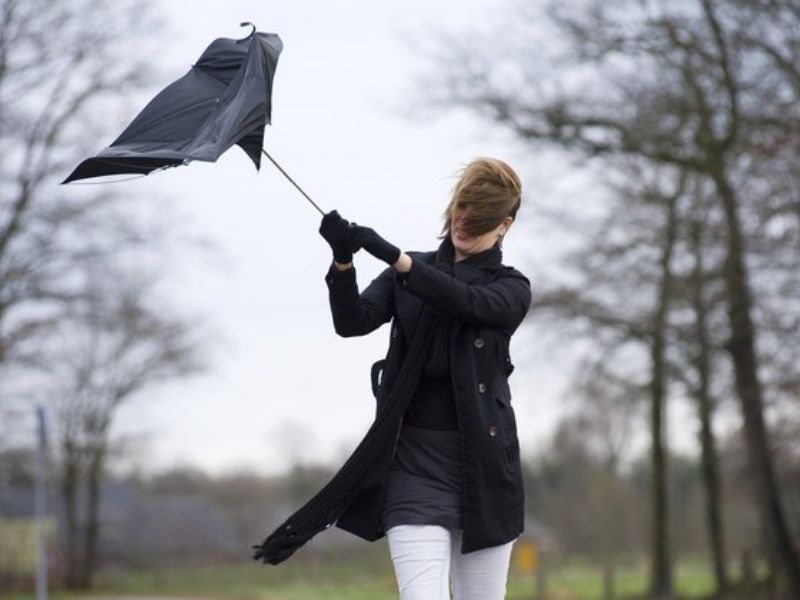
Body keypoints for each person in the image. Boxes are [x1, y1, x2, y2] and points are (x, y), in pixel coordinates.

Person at [315, 157, 532, 600]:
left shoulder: (510, 288)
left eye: (480, 219)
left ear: (505, 225)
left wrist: (400, 260)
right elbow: (352, 321)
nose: (465, 223)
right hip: (413, 469)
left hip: (485, 474)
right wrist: (343, 262)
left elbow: (467, 303)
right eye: (461, 210)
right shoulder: (408, 274)